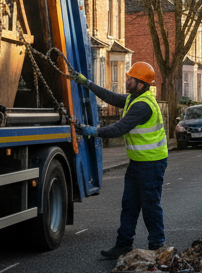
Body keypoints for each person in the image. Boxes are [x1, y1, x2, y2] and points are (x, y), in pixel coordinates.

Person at [71, 62, 168, 259]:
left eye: (131, 78)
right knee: (129, 205)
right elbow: (112, 97)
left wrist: (93, 131)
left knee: (150, 205)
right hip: (138, 163)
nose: (127, 80)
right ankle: (123, 245)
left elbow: (119, 128)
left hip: (151, 163)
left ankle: (157, 246)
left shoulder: (143, 106)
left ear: (141, 83)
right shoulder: (135, 99)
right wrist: (87, 83)